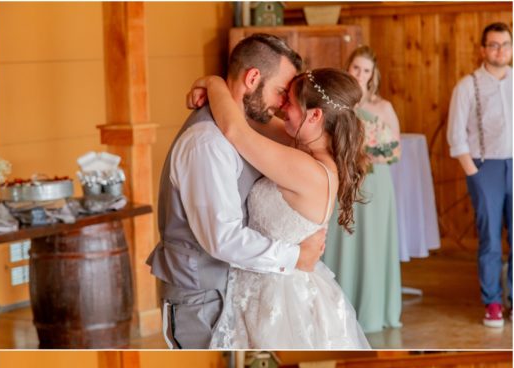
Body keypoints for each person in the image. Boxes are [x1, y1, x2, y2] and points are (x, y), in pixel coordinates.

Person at [146, 34, 326, 349]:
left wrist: (213, 83)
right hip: (200, 301)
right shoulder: (207, 143)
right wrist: (296, 256)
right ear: (253, 78)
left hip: (229, 292)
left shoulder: (247, 127)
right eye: (281, 92)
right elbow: (223, 237)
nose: (283, 106)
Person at [187, 67, 370, 349]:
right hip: (264, 279)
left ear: (315, 115)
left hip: (278, 296)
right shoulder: (306, 148)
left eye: (291, 103)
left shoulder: (308, 169)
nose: (283, 108)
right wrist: (218, 93)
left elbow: (236, 130)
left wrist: (212, 81)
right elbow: (248, 118)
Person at [323, 45, 402, 334]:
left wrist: (370, 154)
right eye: (356, 67)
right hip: (343, 178)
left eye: (365, 70)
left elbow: (395, 152)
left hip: (375, 182)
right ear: (348, 67)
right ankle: (335, 308)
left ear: (373, 75)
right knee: (340, 241)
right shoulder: (336, 104)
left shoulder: (383, 108)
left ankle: (371, 311)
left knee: (372, 245)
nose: (360, 74)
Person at [447, 22, 513, 328]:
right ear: (483, 49)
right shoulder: (467, 86)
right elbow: (455, 134)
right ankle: (493, 303)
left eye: (505, 44)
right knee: (489, 240)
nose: (500, 51)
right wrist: (473, 172)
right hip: (484, 168)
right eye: (494, 45)